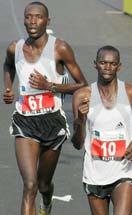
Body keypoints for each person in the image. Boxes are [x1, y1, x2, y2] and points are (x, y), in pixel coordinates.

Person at [3, 2, 87, 215]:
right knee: (29, 185)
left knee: (43, 185)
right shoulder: (15, 48)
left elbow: (83, 85)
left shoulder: (60, 48)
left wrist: (50, 86)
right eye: (28, 17)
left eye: (38, 17)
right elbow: (8, 65)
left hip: (52, 123)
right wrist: (8, 87)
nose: (32, 22)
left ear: (47, 21)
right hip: (25, 121)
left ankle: (47, 202)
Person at [71, 45, 132, 215]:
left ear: (119, 67)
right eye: (103, 63)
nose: (107, 67)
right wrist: (80, 120)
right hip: (95, 173)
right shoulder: (82, 96)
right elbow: (77, 143)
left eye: (112, 64)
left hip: (123, 170)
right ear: (95, 64)